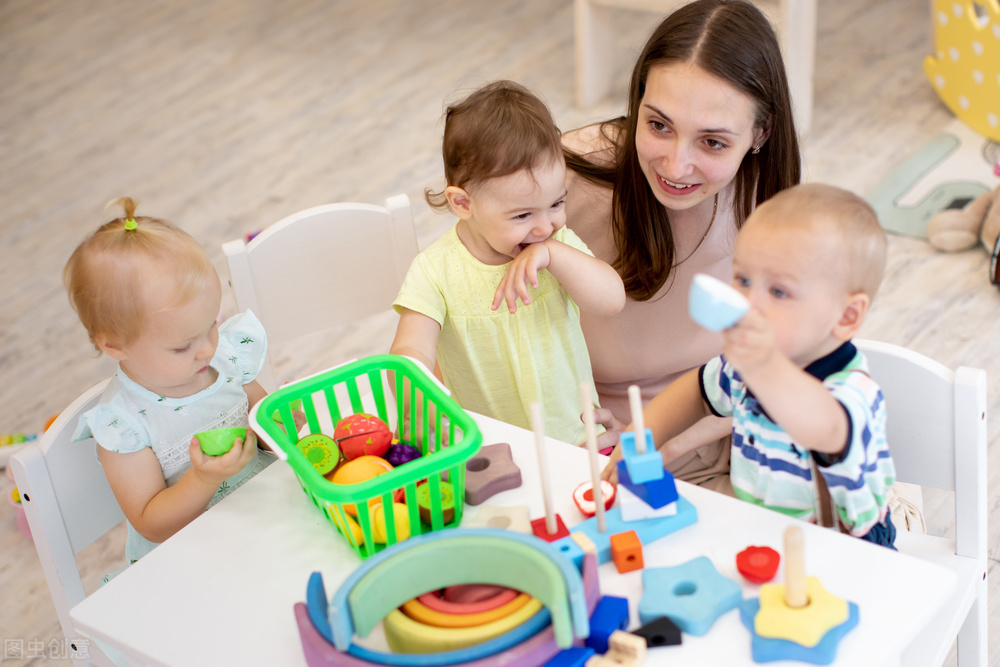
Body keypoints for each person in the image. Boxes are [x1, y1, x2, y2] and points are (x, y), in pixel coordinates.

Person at [563, 0, 801, 491]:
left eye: (712, 142)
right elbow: (464, 302)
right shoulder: (563, 184)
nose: (674, 167)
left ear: (761, 134)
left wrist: (675, 439)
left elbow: (789, 352)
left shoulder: (770, 197)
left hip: (728, 432)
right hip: (593, 447)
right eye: (658, 125)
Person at [608, 183, 897, 546]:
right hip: (763, 527)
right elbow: (697, 391)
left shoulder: (852, 391)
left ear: (846, 315)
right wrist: (637, 441)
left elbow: (821, 427)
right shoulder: (745, 366)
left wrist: (762, 366)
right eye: (743, 280)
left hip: (846, 547)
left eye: (778, 292)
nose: (749, 302)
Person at [391, 80, 625, 444]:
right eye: (522, 216)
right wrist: (416, 399)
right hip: (491, 449)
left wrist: (554, 255)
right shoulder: (434, 271)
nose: (546, 225)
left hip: (579, 439)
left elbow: (611, 300)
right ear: (463, 204)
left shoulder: (555, 245)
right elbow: (411, 351)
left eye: (557, 203)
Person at [65, 198, 276, 564]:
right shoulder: (124, 424)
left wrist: (280, 422)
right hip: (195, 558)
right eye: (182, 347)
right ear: (114, 345)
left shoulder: (224, 358)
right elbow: (152, 524)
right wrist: (204, 479)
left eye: (210, 324)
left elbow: (262, 421)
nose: (208, 349)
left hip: (264, 518)